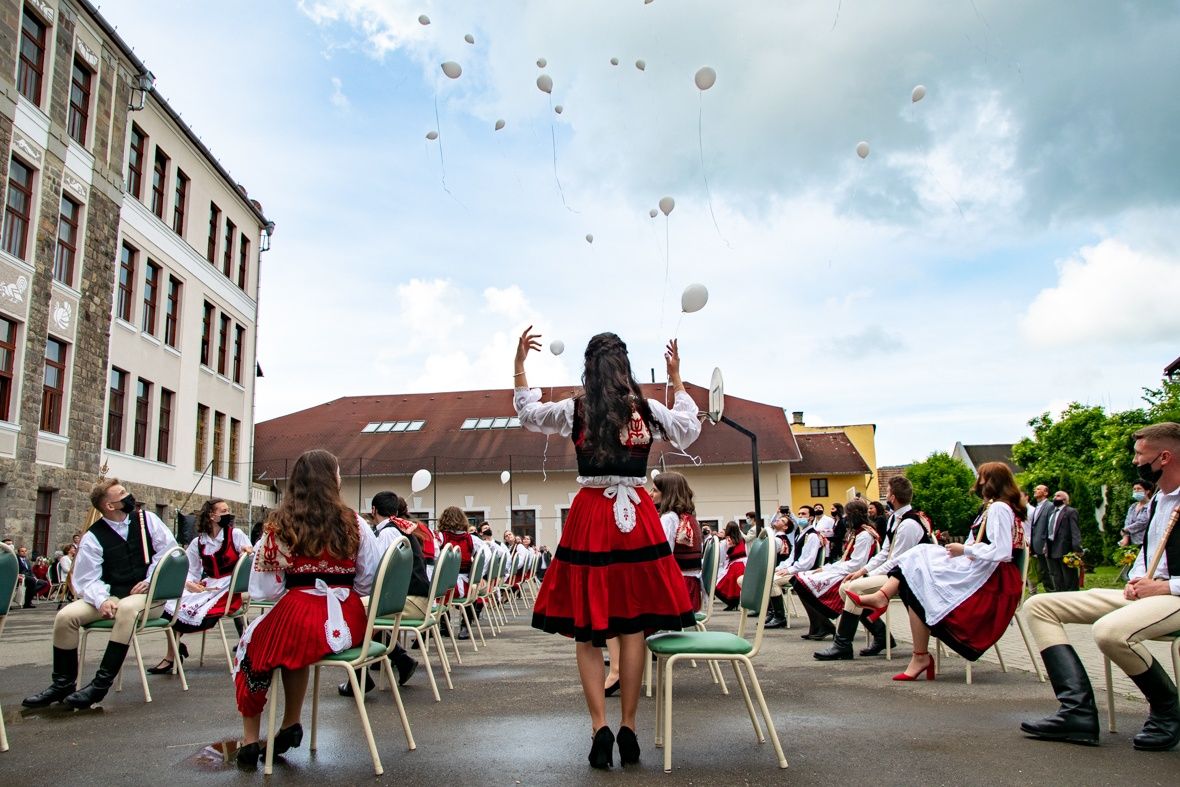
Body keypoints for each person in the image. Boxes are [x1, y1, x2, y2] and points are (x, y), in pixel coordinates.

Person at [515, 327, 700, 769]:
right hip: (638, 515)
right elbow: (689, 429)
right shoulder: (647, 409)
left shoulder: (576, 408)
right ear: (625, 366)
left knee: (587, 628)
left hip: (592, 515)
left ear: (589, 367)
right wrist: (676, 380)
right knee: (633, 626)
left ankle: (599, 726)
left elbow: (528, 413)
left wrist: (520, 366)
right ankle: (629, 727)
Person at [1021, 422, 1180, 752]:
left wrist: (1165, 588)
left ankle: (1168, 710)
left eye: (1139, 455)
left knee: (1109, 631)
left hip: (1174, 595)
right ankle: (1077, 712)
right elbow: (1149, 553)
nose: (1135, 461)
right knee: (1039, 606)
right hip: (1148, 594)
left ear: (1164, 457)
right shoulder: (1158, 501)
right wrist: (1137, 580)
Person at [231, 449, 381, 768]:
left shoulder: (280, 526)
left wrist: (298, 587)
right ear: (332, 480)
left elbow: (264, 589)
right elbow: (369, 580)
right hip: (349, 621)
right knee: (293, 645)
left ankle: (249, 740)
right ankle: (289, 724)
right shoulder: (355, 522)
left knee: (254, 650)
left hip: (301, 614)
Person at [847, 462, 1025, 682]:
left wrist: (964, 550)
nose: (977, 482)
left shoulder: (999, 507)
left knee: (916, 584)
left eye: (980, 477)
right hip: (985, 571)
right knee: (918, 565)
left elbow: (1002, 550)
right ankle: (885, 602)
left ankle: (915, 649)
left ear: (991, 481)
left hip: (991, 580)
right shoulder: (1001, 506)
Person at [23, 479, 178, 710]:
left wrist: (149, 580)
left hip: (149, 596)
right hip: (112, 594)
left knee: (127, 609)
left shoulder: (147, 521)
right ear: (110, 506)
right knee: (66, 617)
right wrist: (101, 600)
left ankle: (100, 685)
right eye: (122, 494)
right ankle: (62, 683)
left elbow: (169, 552)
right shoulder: (93, 536)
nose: (129, 496)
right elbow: (86, 578)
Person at [815, 476, 930, 660]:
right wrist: (863, 571)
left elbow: (898, 561)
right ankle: (880, 636)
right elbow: (885, 553)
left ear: (892, 497)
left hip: (907, 577)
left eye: (888, 492)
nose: (887, 495)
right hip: (894, 573)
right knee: (846, 587)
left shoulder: (909, 523)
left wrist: (867, 575)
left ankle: (843, 644)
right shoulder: (895, 519)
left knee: (853, 588)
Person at [149, 498, 253, 674]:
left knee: (194, 613)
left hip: (230, 587)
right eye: (223, 511)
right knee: (171, 607)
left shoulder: (235, 535)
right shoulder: (199, 542)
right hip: (209, 585)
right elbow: (190, 569)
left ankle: (172, 654)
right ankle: (173, 652)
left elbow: (249, 557)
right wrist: (190, 583)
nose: (228, 514)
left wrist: (246, 552)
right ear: (212, 516)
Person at [339, 491, 423, 696]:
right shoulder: (400, 529)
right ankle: (402, 660)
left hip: (408, 599)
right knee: (370, 611)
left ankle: (359, 678)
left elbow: (377, 570)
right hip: (414, 596)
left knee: (354, 612)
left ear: (373, 510)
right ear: (395, 510)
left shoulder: (386, 533)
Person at [793, 500, 880, 643]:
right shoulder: (857, 533)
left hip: (854, 573)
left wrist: (830, 569)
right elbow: (846, 560)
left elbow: (856, 564)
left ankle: (823, 623)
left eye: (849, 514)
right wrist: (826, 568)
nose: (846, 518)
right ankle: (820, 624)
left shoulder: (864, 535)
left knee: (801, 582)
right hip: (845, 569)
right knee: (799, 578)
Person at [652, 471, 703, 612]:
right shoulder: (688, 518)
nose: (651, 494)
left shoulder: (669, 518)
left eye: (655, 490)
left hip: (679, 592)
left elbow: (661, 559)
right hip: (691, 590)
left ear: (667, 494)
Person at [1043, 491, 1082, 592]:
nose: (1055, 497)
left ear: (1065, 499)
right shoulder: (1052, 513)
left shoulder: (1070, 511)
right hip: (1051, 547)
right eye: (1055, 495)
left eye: (1058, 496)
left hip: (1065, 548)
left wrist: (1076, 548)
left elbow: (1075, 530)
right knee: (1056, 575)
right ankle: (1059, 593)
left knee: (1069, 576)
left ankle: (1072, 596)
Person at [713, 522, 748, 611]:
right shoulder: (742, 539)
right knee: (737, 586)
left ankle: (732, 603)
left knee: (718, 586)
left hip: (734, 565)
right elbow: (747, 552)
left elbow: (721, 557)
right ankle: (735, 603)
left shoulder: (726, 541)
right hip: (744, 564)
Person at [1028, 484, 1055, 591]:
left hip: (1045, 544)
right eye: (1035, 488)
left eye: (1038, 489)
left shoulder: (1050, 506)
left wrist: (1047, 543)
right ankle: (1048, 589)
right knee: (1043, 570)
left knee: (1049, 570)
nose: (1035, 490)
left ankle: (1053, 591)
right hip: (1036, 544)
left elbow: (1050, 525)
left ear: (1045, 493)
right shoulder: (1036, 507)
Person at [1122, 480, 1154, 547]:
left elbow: (1143, 523)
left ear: (1147, 491)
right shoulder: (1133, 507)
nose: (1136, 491)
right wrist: (1125, 536)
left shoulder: (1151, 506)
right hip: (1133, 543)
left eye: (1139, 489)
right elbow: (1127, 521)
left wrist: (1126, 530)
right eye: (1134, 489)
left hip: (1146, 542)